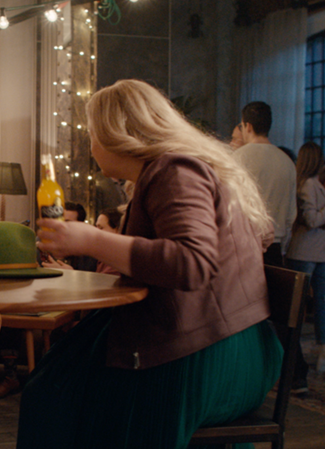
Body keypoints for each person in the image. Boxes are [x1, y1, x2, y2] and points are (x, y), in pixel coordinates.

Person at [19, 79, 283, 449]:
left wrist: (90, 240)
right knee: (57, 378)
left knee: (52, 391)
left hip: (206, 355)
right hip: (231, 345)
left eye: (92, 134)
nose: (91, 146)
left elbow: (192, 262)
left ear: (115, 135)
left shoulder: (174, 170)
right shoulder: (180, 169)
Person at [233, 101, 297, 267]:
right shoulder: (287, 161)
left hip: (244, 243)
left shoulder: (237, 158)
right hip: (275, 246)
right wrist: (283, 248)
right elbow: (291, 215)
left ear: (248, 126)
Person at [286, 142, 325, 378]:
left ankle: (300, 353)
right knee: (301, 305)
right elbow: (311, 220)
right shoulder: (308, 184)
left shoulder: (307, 183)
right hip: (306, 251)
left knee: (313, 304)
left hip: (314, 251)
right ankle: (296, 355)